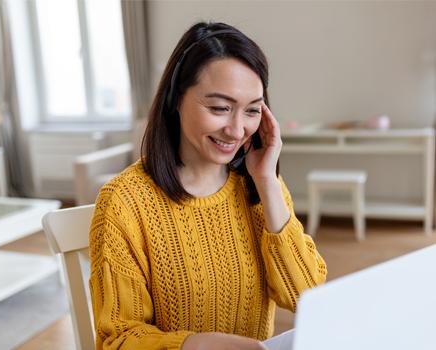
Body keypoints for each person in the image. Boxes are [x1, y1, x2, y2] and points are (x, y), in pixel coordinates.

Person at [89, 21, 327, 350]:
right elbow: (118, 338)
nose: (236, 129)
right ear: (175, 99)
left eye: (252, 111)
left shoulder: (259, 186)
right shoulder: (125, 201)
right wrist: (195, 345)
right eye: (219, 108)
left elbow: (309, 297)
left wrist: (268, 183)